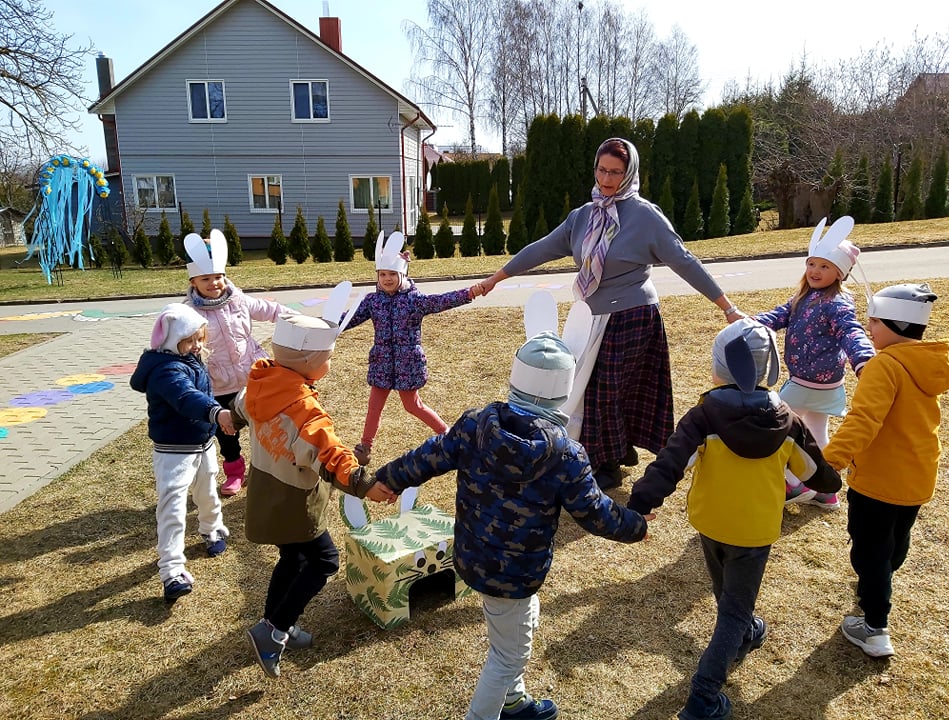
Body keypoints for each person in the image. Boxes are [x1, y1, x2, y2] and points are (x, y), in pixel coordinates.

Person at [372, 331, 650, 720]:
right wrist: (636, 525)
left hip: (474, 555)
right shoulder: (566, 455)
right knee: (508, 656)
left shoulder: (474, 425)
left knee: (513, 625)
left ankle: (514, 701)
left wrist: (388, 479)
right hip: (516, 573)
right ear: (564, 391)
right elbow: (595, 512)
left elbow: (429, 456)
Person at [476, 137, 743, 490]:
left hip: (632, 316)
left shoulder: (646, 216)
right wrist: (496, 278)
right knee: (593, 389)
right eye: (602, 170)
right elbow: (541, 248)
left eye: (615, 172)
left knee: (606, 391)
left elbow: (684, 261)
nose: (606, 179)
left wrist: (727, 307)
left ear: (629, 173)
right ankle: (617, 449)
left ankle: (605, 465)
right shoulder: (583, 216)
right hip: (591, 315)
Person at [627, 318, 841, 720]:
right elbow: (816, 473)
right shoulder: (787, 420)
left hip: (710, 522)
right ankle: (703, 697)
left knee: (728, 595)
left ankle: (744, 631)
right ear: (767, 368)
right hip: (754, 531)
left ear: (719, 366)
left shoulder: (703, 416)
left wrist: (641, 502)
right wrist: (834, 480)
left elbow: (670, 463)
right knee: (734, 610)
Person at [233, 313, 391, 679]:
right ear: (309, 362)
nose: (330, 363)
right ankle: (274, 631)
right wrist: (365, 485)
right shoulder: (304, 411)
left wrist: (231, 419)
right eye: (328, 358)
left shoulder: (261, 381)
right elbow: (329, 455)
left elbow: (241, 406)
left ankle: (276, 624)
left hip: (266, 494)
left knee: (292, 559)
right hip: (295, 502)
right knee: (324, 560)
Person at [823, 283, 949, 658]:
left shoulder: (885, 365)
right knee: (895, 541)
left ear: (896, 324)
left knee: (869, 550)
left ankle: (874, 627)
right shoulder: (929, 361)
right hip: (917, 475)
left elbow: (863, 420)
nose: (869, 328)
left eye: (875, 322)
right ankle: (877, 584)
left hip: (879, 480)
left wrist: (829, 463)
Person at [753, 216, 875, 509]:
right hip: (829, 385)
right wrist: (752, 323)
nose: (815, 271)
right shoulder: (804, 297)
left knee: (777, 428)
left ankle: (791, 485)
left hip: (806, 384)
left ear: (840, 273)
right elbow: (779, 315)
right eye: (811, 263)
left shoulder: (836, 303)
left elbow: (851, 331)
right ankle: (825, 490)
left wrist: (864, 359)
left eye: (824, 266)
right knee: (817, 432)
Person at [341, 230, 483, 465]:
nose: (387, 279)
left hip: (407, 364)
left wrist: (469, 293)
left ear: (402, 274)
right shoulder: (372, 301)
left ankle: (447, 434)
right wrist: (327, 326)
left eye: (392, 274)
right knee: (374, 406)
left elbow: (441, 301)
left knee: (413, 405)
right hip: (382, 363)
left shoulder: (414, 301)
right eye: (382, 274)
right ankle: (364, 447)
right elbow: (350, 318)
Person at [130, 303, 235, 603]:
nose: (197, 345)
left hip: (202, 443)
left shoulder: (189, 358)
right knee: (173, 507)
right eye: (189, 341)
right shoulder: (165, 369)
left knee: (208, 491)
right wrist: (216, 413)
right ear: (170, 340)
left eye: (200, 338)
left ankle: (212, 528)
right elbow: (186, 397)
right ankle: (172, 570)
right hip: (174, 451)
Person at [184, 229, 294, 496]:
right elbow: (174, 341)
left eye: (218, 276)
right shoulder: (187, 311)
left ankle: (266, 469)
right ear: (193, 281)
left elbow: (271, 310)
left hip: (252, 377)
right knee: (227, 434)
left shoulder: (238, 300)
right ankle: (235, 472)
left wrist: (298, 319)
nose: (214, 283)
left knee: (264, 425)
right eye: (206, 278)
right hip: (217, 384)